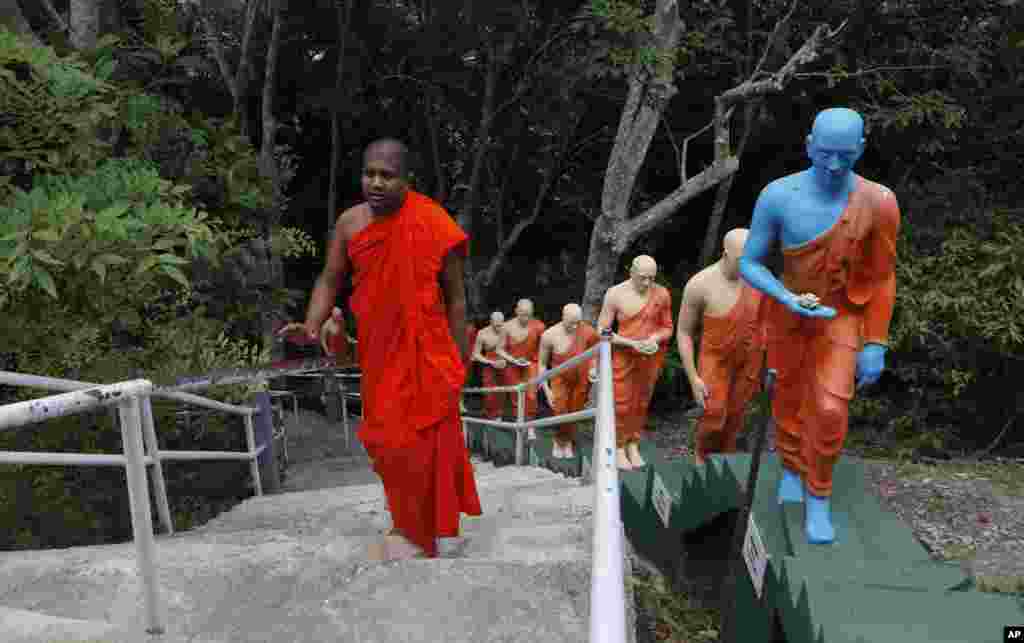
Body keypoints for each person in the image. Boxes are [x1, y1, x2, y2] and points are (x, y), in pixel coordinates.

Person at [278, 138, 482, 560]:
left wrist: (461, 355)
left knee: (430, 439)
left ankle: (421, 532)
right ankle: (410, 526)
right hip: (379, 353)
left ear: (406, 179)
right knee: (387, 442)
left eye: (386, 175)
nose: (375, 182)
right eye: (369, 173)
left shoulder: (432, 220)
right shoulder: (351, 224)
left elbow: (457, 297)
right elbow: (330, 279)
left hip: (428, 350)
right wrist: (312, 325)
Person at [740, 107, 900, 544]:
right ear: (809, 144)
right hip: (789, 313)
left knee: (830, 409)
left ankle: (819, 494)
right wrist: (787, 298)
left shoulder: (879, 202)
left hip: (841, 316)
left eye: (845, 156)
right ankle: (791, 465)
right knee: (787, 399)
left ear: (861, 149)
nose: (833, 165)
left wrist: (876, 342)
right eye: (825, 153)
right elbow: (750, 262)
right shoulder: (778, 195)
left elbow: (883, 275)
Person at [676, 229, 766, 466]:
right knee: (714, 413)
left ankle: (726, 461)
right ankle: (701, 455)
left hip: (748, 357)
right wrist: (693, 377)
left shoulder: (758, 278)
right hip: (715, 358)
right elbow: (684, 333)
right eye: (741, 260)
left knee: (736, 416)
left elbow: (768, 318)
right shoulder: (700, 284)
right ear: (726, 254)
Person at [596, 255, 675, 470]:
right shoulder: (615, 294)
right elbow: (602, 330)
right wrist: (630, 343)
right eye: (642, 278)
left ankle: (633, 443)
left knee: (641, 403)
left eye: (652, 278)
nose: (647, 283)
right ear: (631, 272)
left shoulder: (662, 294)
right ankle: (619, 446)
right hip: (624, 355)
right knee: (621, 404)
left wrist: (654, 338)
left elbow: (668, 328)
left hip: (650, 356)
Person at [538, 303, 599, 459]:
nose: (575, 326)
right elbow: (542, 364)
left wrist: (593, 368)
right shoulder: (549, 335)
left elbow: (595, 353)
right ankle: (559, 441)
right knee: (560, 410)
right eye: (571, 322)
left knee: (575, 412)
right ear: (563, 317)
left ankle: (569, 441)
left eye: (577, 322)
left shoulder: (587, 331)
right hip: (559, 379)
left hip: (582, 377)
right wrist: (546, 390)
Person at [497, 299, 545, 433]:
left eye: (529, 314)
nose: (525, 318)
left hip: (531, 363)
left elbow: (543, 351)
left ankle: (530, 425)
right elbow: (499, 349)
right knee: (516, 395)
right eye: (523, 314)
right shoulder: (506, 327)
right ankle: (520, 424)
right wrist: (512, 360)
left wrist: (542, 372)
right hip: (512, 365)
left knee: (531, 395)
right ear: (516, 311)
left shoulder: (539, 326)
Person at [471, 312, 509, 419]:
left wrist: (509, 360)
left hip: (504, 362)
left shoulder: (507, 330)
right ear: (491, 322)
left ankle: (500, 414)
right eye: (497, 325)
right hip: (489, 363)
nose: (499, 328)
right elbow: (476, 354)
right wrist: (491, 362)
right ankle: (490, 414)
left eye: (501, 325)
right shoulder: (482, 333)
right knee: (489, 392)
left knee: (503, 390)